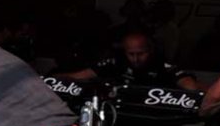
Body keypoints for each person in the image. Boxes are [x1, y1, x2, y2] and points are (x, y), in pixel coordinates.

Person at [56, 29, 201, 91]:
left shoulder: (163, 65)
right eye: (131, 54)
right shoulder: (116, 61)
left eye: (141, 53)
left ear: (150, 50)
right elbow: (80, 76)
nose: (136, 58)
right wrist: (48, 80)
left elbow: (190, 86)